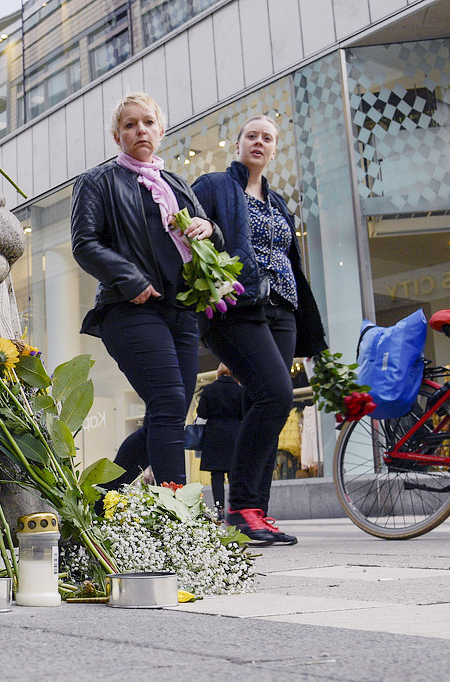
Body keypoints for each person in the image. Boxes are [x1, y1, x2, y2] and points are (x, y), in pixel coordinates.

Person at [71, 92, 222, 488]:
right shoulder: (98, 181)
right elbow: (84, 244)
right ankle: (178, 514)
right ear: (116, 135)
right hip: (129, 308)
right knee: (169, 402)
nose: (140, 129)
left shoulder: (175, 184)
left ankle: (102, 500)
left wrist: (211, 228)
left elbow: (207, 236)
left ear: (161, 130)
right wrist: (130, 278)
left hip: (182, 312)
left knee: (168, 413)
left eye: (148, 122)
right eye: (130, 124)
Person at [192, 115, 327, 545]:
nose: (259, 142)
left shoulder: (279, 202)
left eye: (267, 138)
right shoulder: (215, 186)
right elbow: (187, 231)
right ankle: (242, 509)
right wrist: (211, 229)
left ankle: (256, 514)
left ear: (273, 151)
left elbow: (292, 261)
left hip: (283, 308)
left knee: (264, 403)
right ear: (238, 145)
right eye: (252, 135)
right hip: (237, 305)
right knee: (276, 394)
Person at [196, 364, 244, 521]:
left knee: (216, 476)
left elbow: (202, 413)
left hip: (214, 435)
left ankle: (219, 509)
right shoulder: (240, 390)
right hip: (235, 435)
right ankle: (236, 509)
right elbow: (245, 413)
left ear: (218, 373)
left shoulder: (209, 389)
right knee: (234, 475)